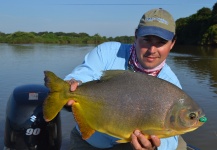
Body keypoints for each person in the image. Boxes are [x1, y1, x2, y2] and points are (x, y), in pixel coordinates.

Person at [64, 8, 186, 150]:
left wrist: (153, 147)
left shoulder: (171, 85)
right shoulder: (107, 52)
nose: (152, 50)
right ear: (135, 36)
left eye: (161, 42)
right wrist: (74, 83)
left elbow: (171, 139)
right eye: (146, 40)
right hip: (90, 140)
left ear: (172, 43)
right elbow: (83, 74)